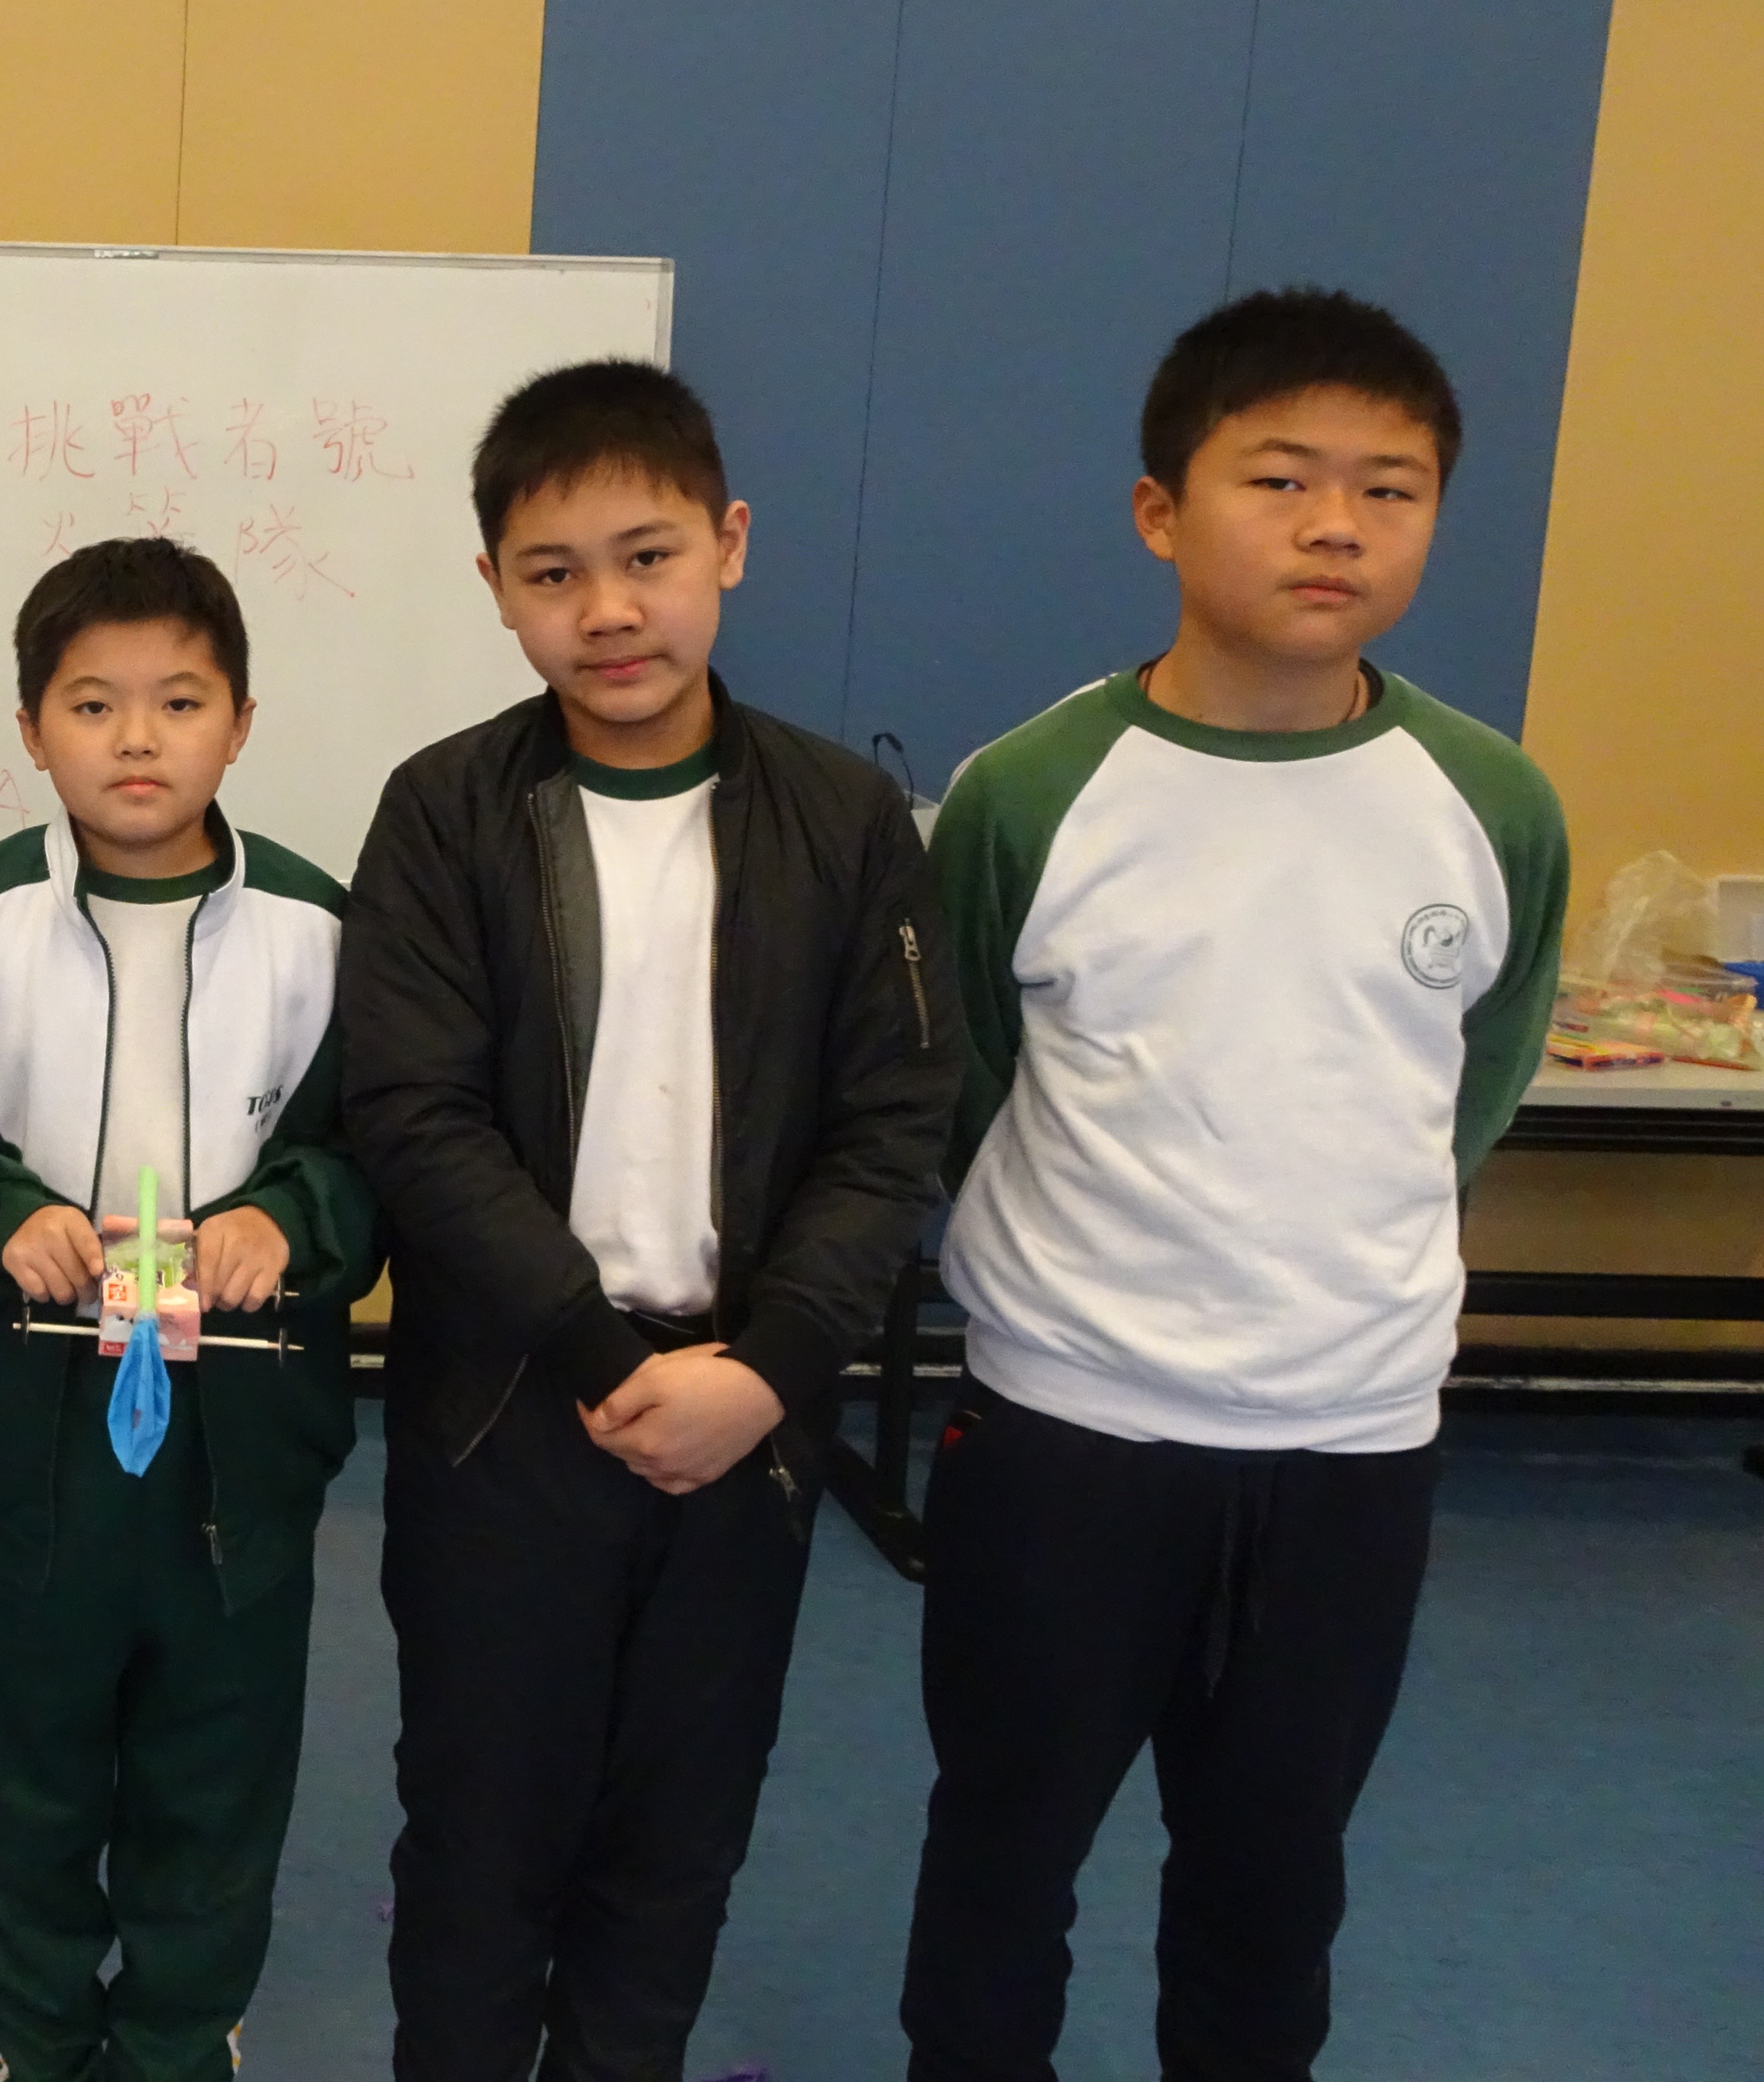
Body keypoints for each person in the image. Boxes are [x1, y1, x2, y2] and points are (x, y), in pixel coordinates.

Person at [898, 290, 1569, 2082]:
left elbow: (1470, 1086)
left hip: (1352, 1449)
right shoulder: (1032, 794)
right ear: (1160, 511)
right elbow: (967, 1082)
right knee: (1002, 1864)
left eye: (1390, 489)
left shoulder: (1491, 803)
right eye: (1280, 479)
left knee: (1273, 1890)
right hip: (1069, 1438)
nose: (1336, 525)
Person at [339, 360, 958, 2082]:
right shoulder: (445, 812)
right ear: (496, 588)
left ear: (729, 545)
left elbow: (894, 1122)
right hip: (507, 1413)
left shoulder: (844, 823)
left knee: (680, 1838)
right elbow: (414, 1116)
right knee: (480, 1838)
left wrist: (767, 1370)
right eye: (554, 573)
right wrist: (602, 1357)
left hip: (748, 1417)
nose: (608, 611)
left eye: (649, 557)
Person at [0, 538, 380, 2082]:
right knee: (21, 1761)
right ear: (32, 730)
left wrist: (289, 1219)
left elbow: (385, 1153)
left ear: (242, 721)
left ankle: (175, 2039)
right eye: (92, 705)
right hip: (17, 1433)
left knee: (216, 1766)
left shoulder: (322, 929)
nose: (136, 739)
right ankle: (32, 2032)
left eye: (180, 702)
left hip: (243, 1436)